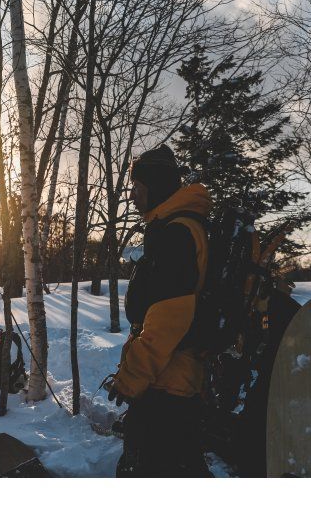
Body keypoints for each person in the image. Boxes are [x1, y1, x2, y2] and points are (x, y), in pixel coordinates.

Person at [106, 144, 212, 477]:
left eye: (138, 188)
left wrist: (131, 378)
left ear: (157, 186)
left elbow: (168, 321)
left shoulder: (176, 234)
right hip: (171, 379)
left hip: (167, 386)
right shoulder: (175, 227)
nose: (133, 196)